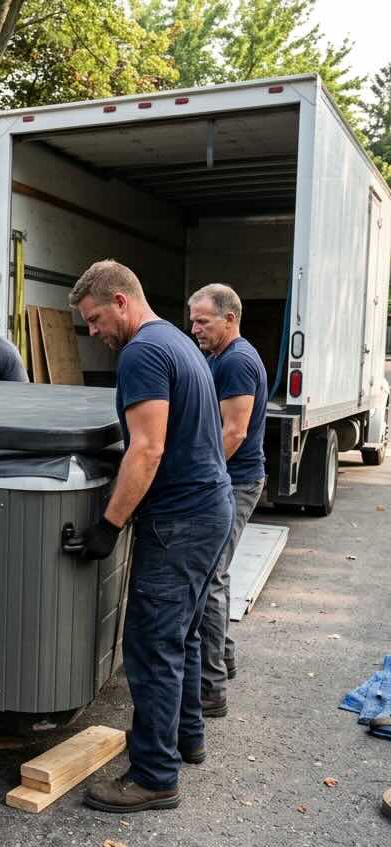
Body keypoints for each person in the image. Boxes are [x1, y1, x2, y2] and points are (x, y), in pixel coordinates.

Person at [68, 260, 233, 814]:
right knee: (181, 635)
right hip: (210, 509)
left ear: (120, 301)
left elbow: (148, 448)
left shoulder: (142, 352)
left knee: (151, 644)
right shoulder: (178, 343)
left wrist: (107, 526)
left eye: (94, 320)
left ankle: (155, 776)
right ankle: (187, 740)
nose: (94, 333)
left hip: (180, 520)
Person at [188, 283, 268, 715]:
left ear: (229, 318)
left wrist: (199, 475)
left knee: (211, 577)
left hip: (234, 482)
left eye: (203, 320)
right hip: (225, 479)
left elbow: (234, 432)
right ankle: (225, 656)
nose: (194, 327)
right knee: (213, 573)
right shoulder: (217, 355)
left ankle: (211, 688)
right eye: (193, 319)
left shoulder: (236, 360)